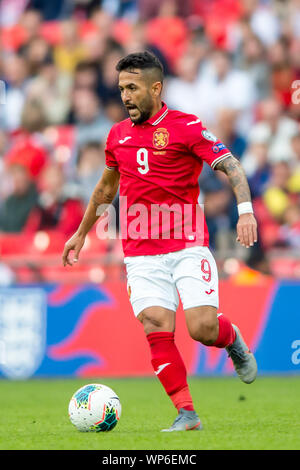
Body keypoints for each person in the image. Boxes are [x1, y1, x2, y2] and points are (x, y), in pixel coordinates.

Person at [62, 51, 258, 432]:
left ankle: (231, 338)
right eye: (121, 89)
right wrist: (81, 233)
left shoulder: (187, 126)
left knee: (201, 328)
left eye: (133, 88)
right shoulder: (117, 135)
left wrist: (245, 210)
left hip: (187, 243)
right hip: (140, 250)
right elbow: (105, 189)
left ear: (156, 88)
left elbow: (231, 165)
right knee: (155, 325)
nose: (126, 96)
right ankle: (186, 413)